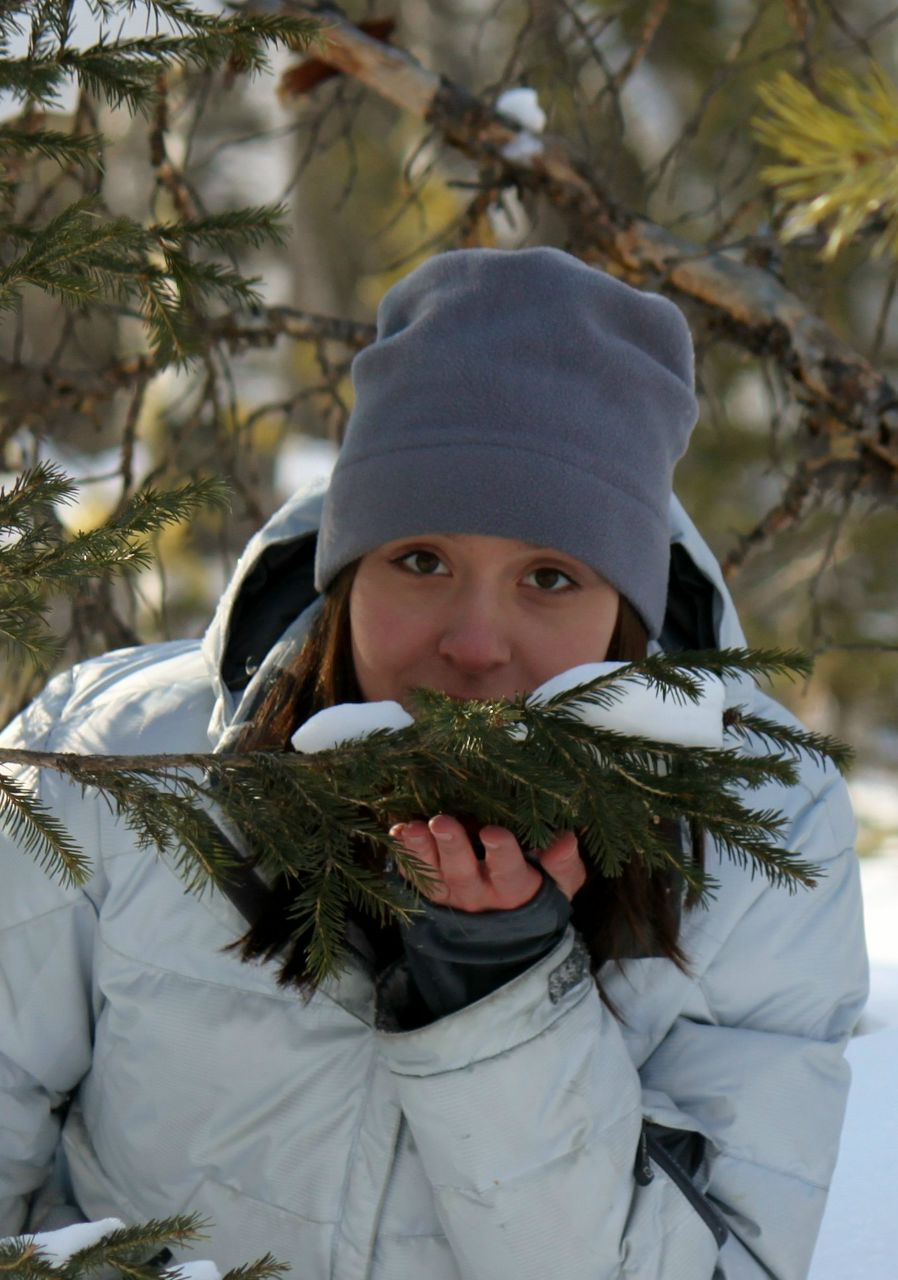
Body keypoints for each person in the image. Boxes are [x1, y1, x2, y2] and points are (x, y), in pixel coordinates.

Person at [0, 248, 868, 1280]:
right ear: (348, 566)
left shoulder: (757, 834)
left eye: (548, 576)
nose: (473, 641)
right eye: (421, 560)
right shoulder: (122, 757)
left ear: (624, 615)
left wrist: (499, 997)